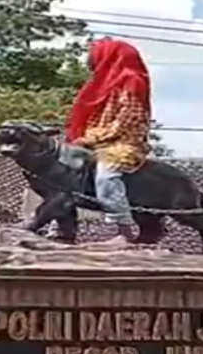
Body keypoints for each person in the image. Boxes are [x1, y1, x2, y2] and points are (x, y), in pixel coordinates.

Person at [65, 38, 152, 244]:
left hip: (123, 143)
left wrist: (90, 138)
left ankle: (123, 228)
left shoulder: (131, 80)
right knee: (63, 171)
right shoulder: (104, 83)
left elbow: (126, 120)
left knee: (107, 176)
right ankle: (62, 227)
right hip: (96, 142)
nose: (91, 61)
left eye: (95, 57)